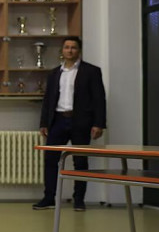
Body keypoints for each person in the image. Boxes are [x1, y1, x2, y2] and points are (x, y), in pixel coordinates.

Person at [34, 36, 106, 211]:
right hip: (58, 120)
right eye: (66, 47)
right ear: (62, 51)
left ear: (79, 50)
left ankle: (79, 200)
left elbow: (99, 99)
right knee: (51, 160)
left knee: (80, 161)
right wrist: (44, 122)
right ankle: (49, 198)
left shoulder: (91, 71)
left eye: (73, 47)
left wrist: (99, 124)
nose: (70, 50)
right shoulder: (54, 73)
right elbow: (48, 100)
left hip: (81, 121)